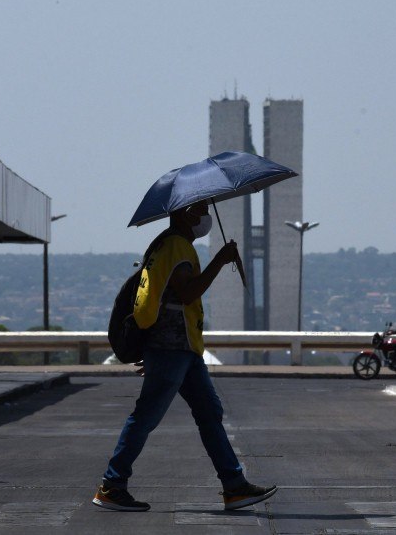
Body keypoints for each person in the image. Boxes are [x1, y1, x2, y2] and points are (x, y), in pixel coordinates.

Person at [93, 201, 277, 512]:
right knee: (146, 416)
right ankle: (112, 485)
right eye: (200, 210)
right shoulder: (177, 247)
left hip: (184, 348)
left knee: (209, 412)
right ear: (182, 213)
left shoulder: (172, 245)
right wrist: (219, 260)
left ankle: (234, 485)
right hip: (171, 348)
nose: (205, 216)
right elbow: (186, 293)